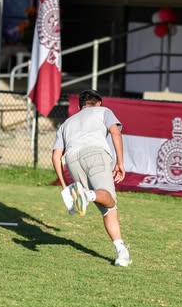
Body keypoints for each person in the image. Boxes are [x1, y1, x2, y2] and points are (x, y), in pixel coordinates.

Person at [52, 89, 131, 267]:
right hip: (96, 153)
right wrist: (120, 162)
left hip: (72, 160)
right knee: (110, 203)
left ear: (80, 107)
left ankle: (122, 251)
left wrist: (65, 187)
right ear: (99, 103)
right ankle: (87, 195)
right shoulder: (104, 111)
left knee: (106, 208)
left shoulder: (67, 123)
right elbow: (116, 133)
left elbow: (56, 156)